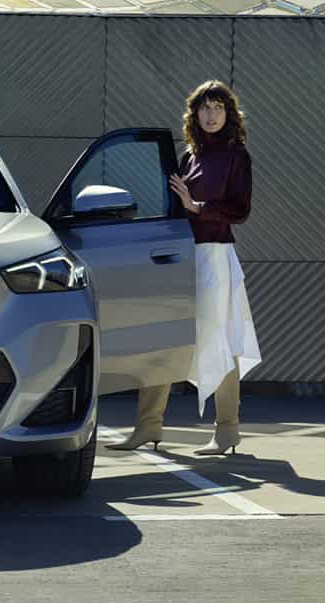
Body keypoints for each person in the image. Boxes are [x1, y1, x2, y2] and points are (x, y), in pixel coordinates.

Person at [109, 79, 261, 456]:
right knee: (162, 336)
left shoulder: (236, 156)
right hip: (180, 257)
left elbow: (240, 210)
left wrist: (199, 208)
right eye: (205, 108)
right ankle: (148, 426)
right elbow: (175, 208)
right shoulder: (189, 157)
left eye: (218, 108)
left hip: (213, 256)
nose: (211, 115)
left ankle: (226, 430)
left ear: (229, 114)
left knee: (220, 340)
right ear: (194, 114)